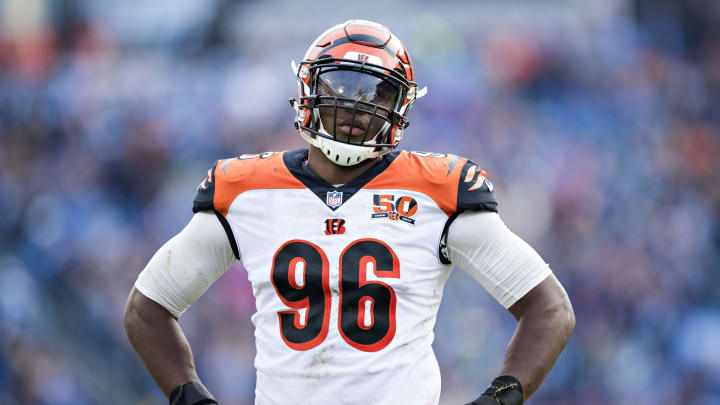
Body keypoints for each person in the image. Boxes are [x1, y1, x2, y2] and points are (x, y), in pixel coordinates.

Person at [123, 19, 575, 405]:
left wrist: (499, 396)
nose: (355, 106)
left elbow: (549, 309)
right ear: (309, 89)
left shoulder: (438, 191)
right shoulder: (247, 190)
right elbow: (148, 308)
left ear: (398, 107)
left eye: (376, 94)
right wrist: (190, 395)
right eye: (340, 86)